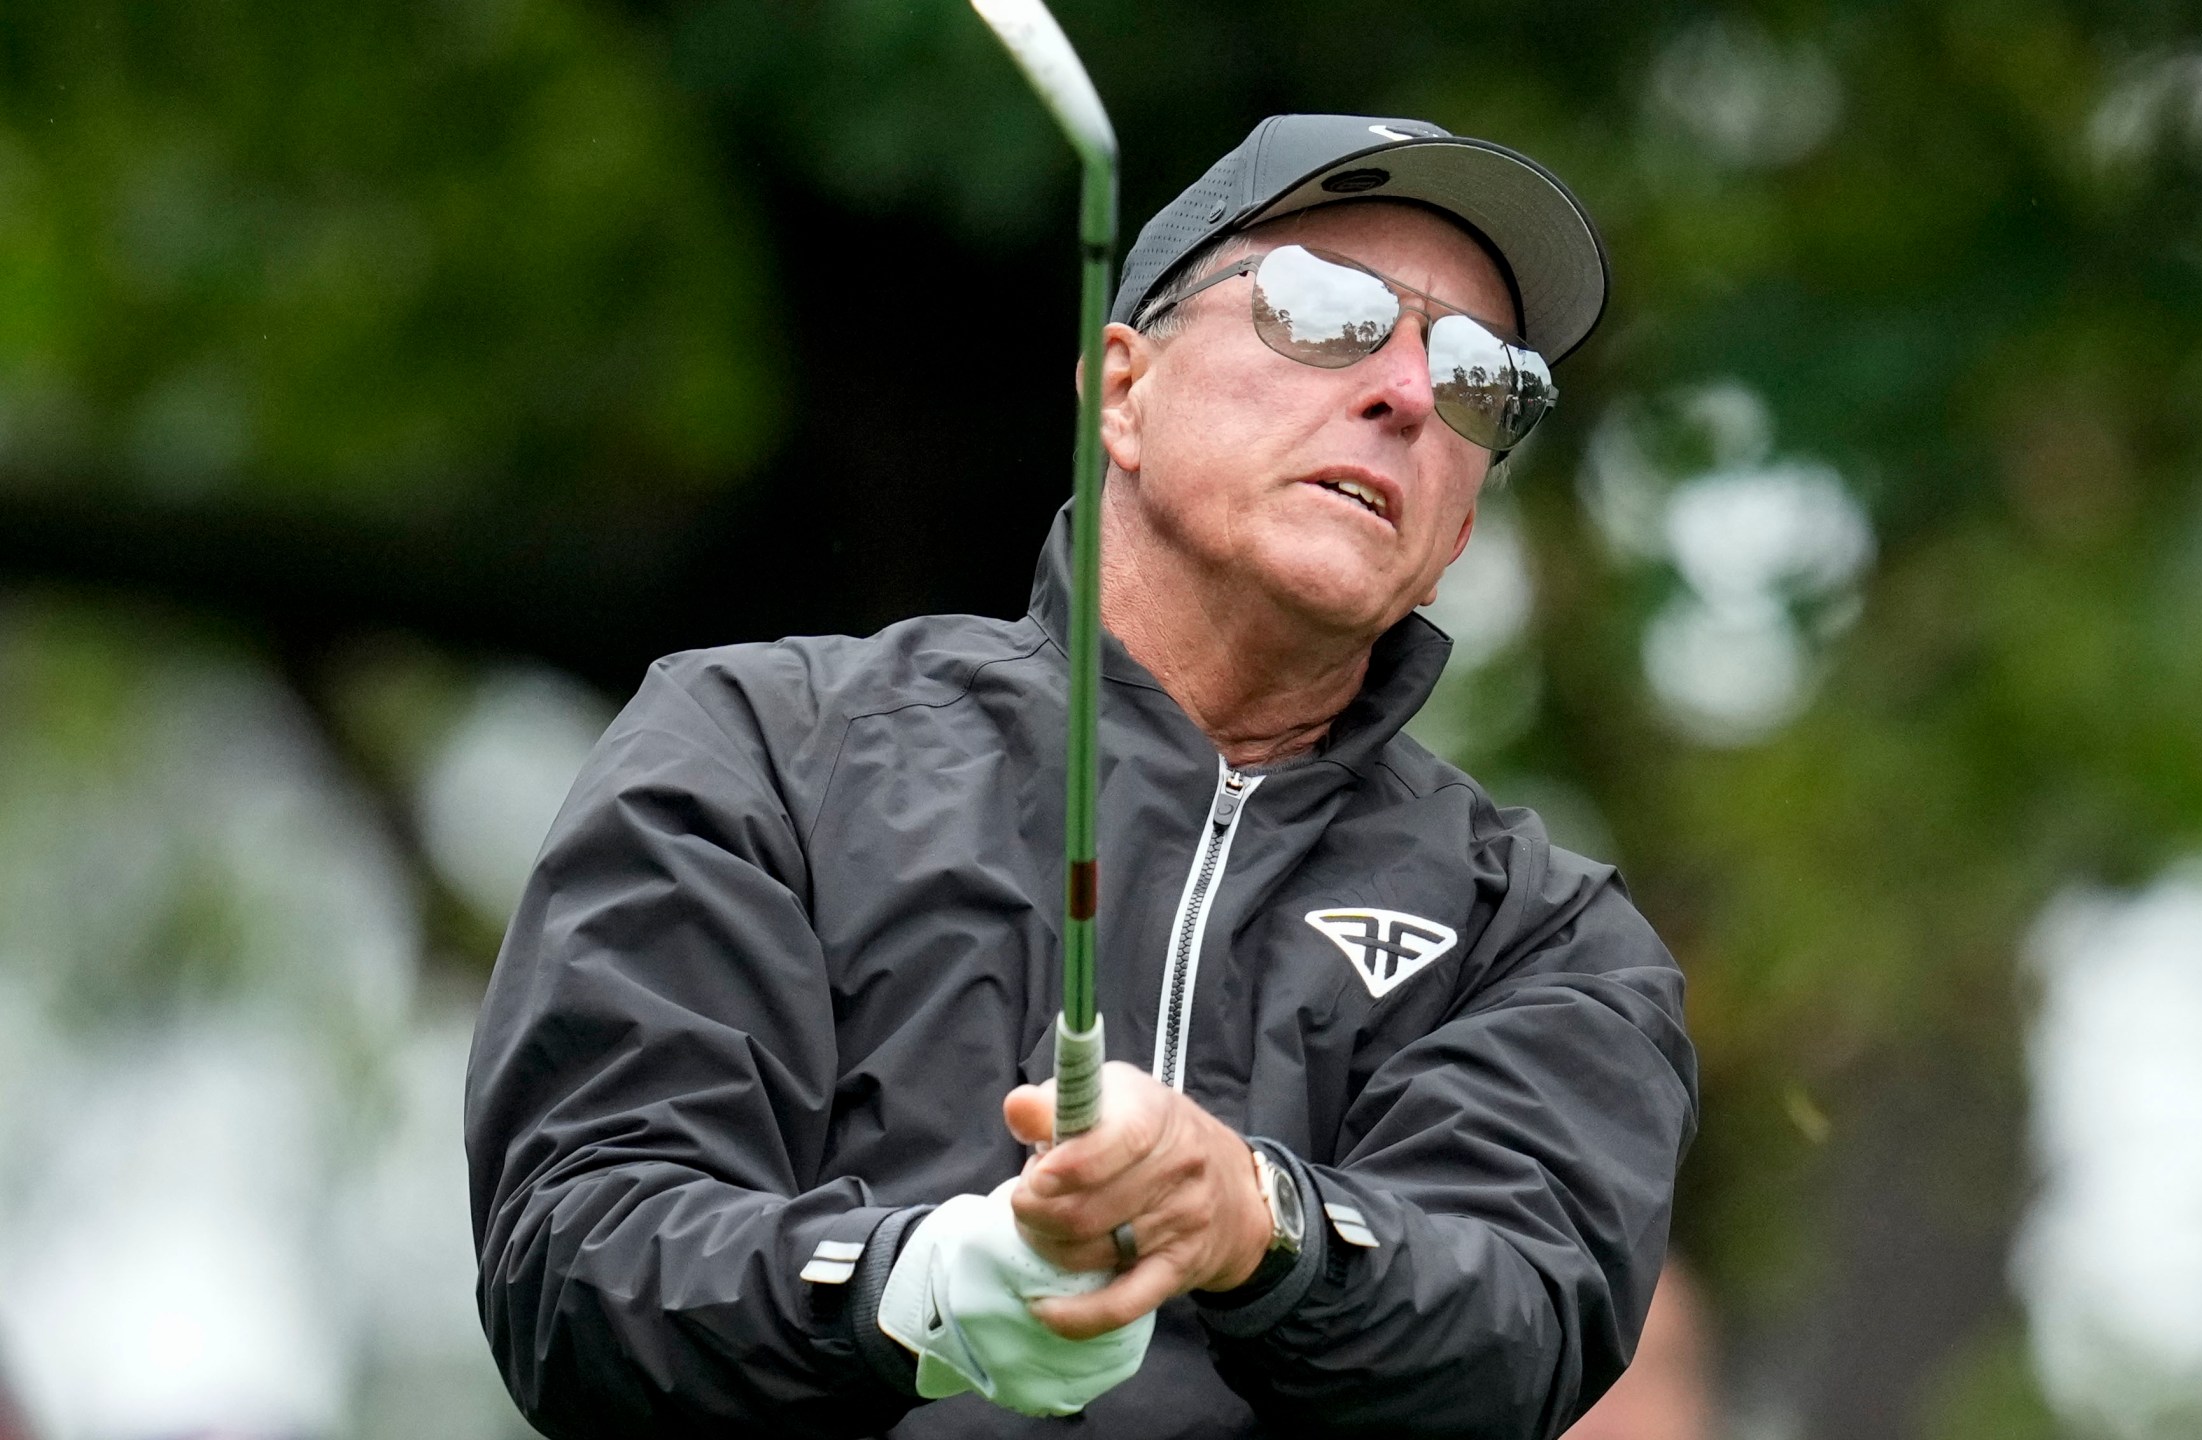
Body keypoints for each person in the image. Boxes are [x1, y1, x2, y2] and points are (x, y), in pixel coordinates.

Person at [466, 112, 1698, 1440]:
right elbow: (580, 1265)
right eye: (1324, 309)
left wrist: (1263, 1226)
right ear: (1123, 391)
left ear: (1461, 520)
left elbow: (1512, 1340)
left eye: (1477, 376)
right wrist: (911, 1289)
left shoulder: (1549, 940)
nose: (1406, 391)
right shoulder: (760, 746)